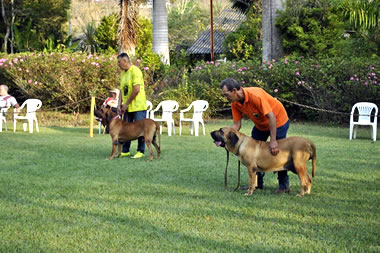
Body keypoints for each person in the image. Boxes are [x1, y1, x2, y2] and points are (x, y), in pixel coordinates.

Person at [220, 78, 290, 193]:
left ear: (234, 91)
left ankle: (284, 185)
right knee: (252, 152)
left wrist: (273, 141)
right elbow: (237, 124)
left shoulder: (255, 95)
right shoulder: (235, 103)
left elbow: (271, 117)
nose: (225, 98)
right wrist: (227, 138)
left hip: (278, 121)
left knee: (278, 152)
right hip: (260, 125)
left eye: (226, 95)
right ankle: (256, 184)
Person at [117, 53, 147, 159]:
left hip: (138, 106)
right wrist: (119, 104)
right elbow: (121, 90)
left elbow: (136, 90)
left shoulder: (135, 71)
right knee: (126, 129)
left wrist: (126, 103)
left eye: (119, 62)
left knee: (140, 129)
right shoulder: (123, 74)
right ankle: (125, 150)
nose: (118, 64)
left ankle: (140, 151)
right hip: (127, 107)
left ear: (125, 61)